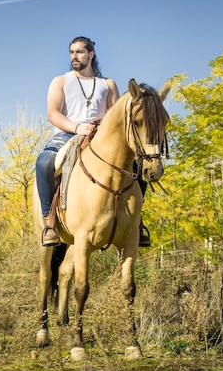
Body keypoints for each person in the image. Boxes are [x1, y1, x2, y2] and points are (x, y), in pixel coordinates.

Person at [35, 36, 151, 247]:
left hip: (101, 137)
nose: (74, 57)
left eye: (79, 52)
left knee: (137, 165)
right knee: (43, 162)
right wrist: (78, 127)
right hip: (67, 135)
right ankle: (49, 222)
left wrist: (101, 124)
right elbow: (53, 113)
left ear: (91, 54)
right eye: (71, 52)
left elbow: (117, 117)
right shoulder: (60, 81)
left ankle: (137, 221)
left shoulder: (107, 84)